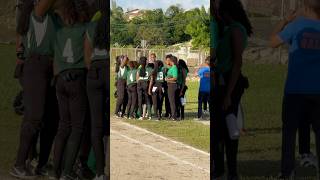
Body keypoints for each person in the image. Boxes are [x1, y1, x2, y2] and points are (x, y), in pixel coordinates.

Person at [270, 0, 320, 178]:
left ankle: (287, 172)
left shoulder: (297, 25)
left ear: (305, 7)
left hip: (295, 89)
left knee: (290, 133)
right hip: (317, 89)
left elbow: (273, 41)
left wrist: (285, 20)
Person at [11, 0, 59, 178]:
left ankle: (39, 162)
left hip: (49, 68)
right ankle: (19, 163)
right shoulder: (32, 16)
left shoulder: (52, 18)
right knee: (34, 116)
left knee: (48, 118)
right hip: (35, 67)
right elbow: (20, 43)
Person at [49, 1, 91, 179]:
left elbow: (55, 60)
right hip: (76, 77)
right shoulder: (85, 29)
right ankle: (67, 171)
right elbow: (88, 59)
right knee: (77, 127)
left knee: (63, 126)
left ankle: (54, 171)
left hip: (60, 79)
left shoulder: (59, 32)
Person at [212, 0, 252, 179]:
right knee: (220, 129)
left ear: (229, 12)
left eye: (221, 11)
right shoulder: (227, 28)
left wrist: (228, 93)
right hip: (222, 81)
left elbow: (237, 63)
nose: (219, 14)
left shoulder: (236, 29)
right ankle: (220, 168)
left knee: (229, 129)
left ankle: (232, 172)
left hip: (230, 83)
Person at [84, 0, 108, 179]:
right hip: (107, 68)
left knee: (96, 125)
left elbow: (86, 55)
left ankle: (99, 171)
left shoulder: (92, 24)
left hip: (93, 70)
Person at [165, 55, 179, 121]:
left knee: (172, 101)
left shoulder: (174, 67)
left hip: (172, 86)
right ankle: (173, 115)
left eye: (169, 60)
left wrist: (167, 80)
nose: (168, 61)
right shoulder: (172, 67)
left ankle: (174, 116)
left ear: (172, 61)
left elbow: (175, 77)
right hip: (170, 85)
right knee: (171, 101)